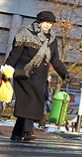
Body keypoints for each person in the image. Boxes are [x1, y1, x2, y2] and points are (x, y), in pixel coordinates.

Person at [1, 10, 70, 141]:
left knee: (34, 101)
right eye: (46, 22)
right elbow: (15, 53)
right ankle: (27, 131)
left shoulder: (52, 39)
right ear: (39, 21)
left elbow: (55, 60)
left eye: (50, 23)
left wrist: (64, 74)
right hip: (23, 73)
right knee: (29, 100)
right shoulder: (25, 33)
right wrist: (6, 69)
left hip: (40, 76)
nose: (48, 25)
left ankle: (16, 133)